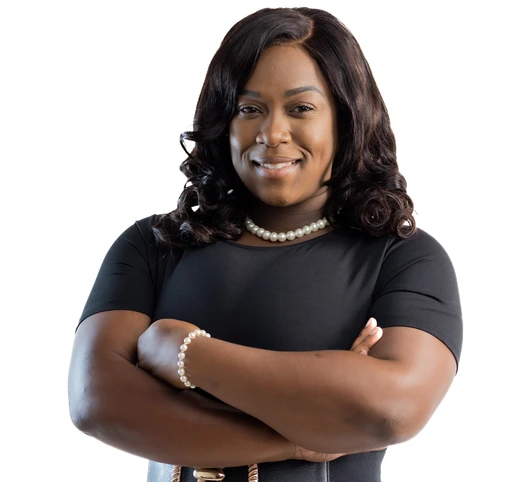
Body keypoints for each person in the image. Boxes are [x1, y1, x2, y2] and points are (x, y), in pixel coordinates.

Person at [67, 7, 463, 482]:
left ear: (346, 118)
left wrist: (184, 354)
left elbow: (393, 408)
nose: (272, 134)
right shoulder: (155, 246)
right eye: (248, 109)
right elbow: (95, 402)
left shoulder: (403, 259)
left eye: (301, 109)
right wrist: (300, 437)